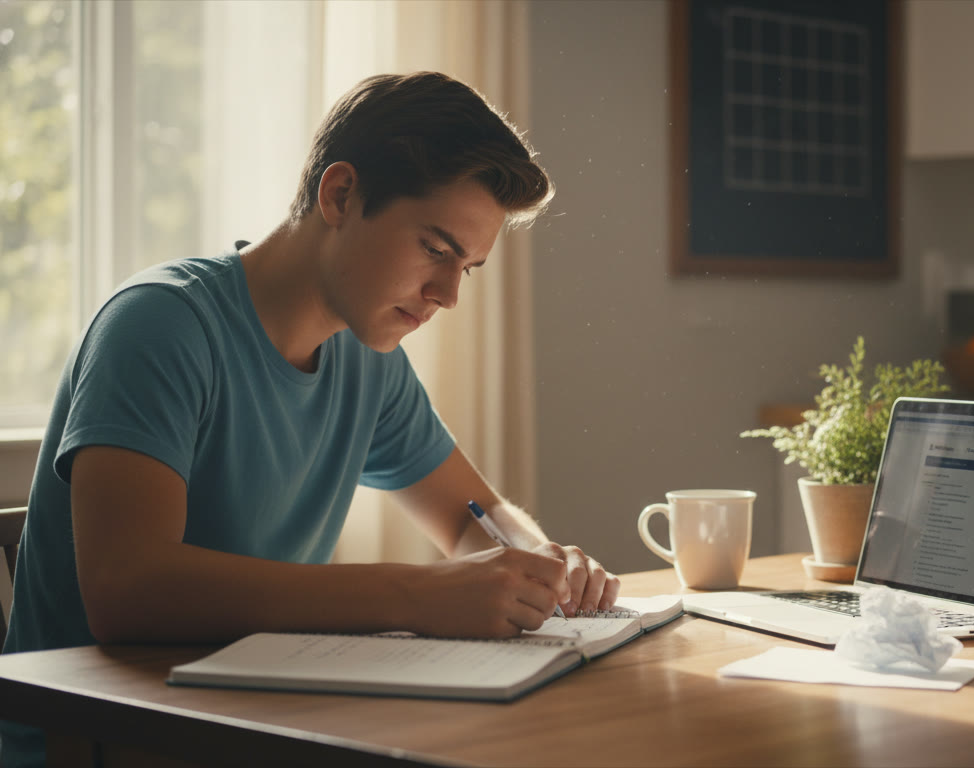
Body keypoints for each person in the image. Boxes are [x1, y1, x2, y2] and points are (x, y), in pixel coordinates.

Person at [0, 71, 618, 767]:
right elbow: (127, 590)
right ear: (341, 194)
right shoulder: (159, 326)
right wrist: (416, 593)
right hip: (97, 744)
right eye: (437, 250)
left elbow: (470, 514)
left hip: (248, 726)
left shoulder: (367, 356)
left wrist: (533, 562)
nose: (447, 295)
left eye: (467, 269)